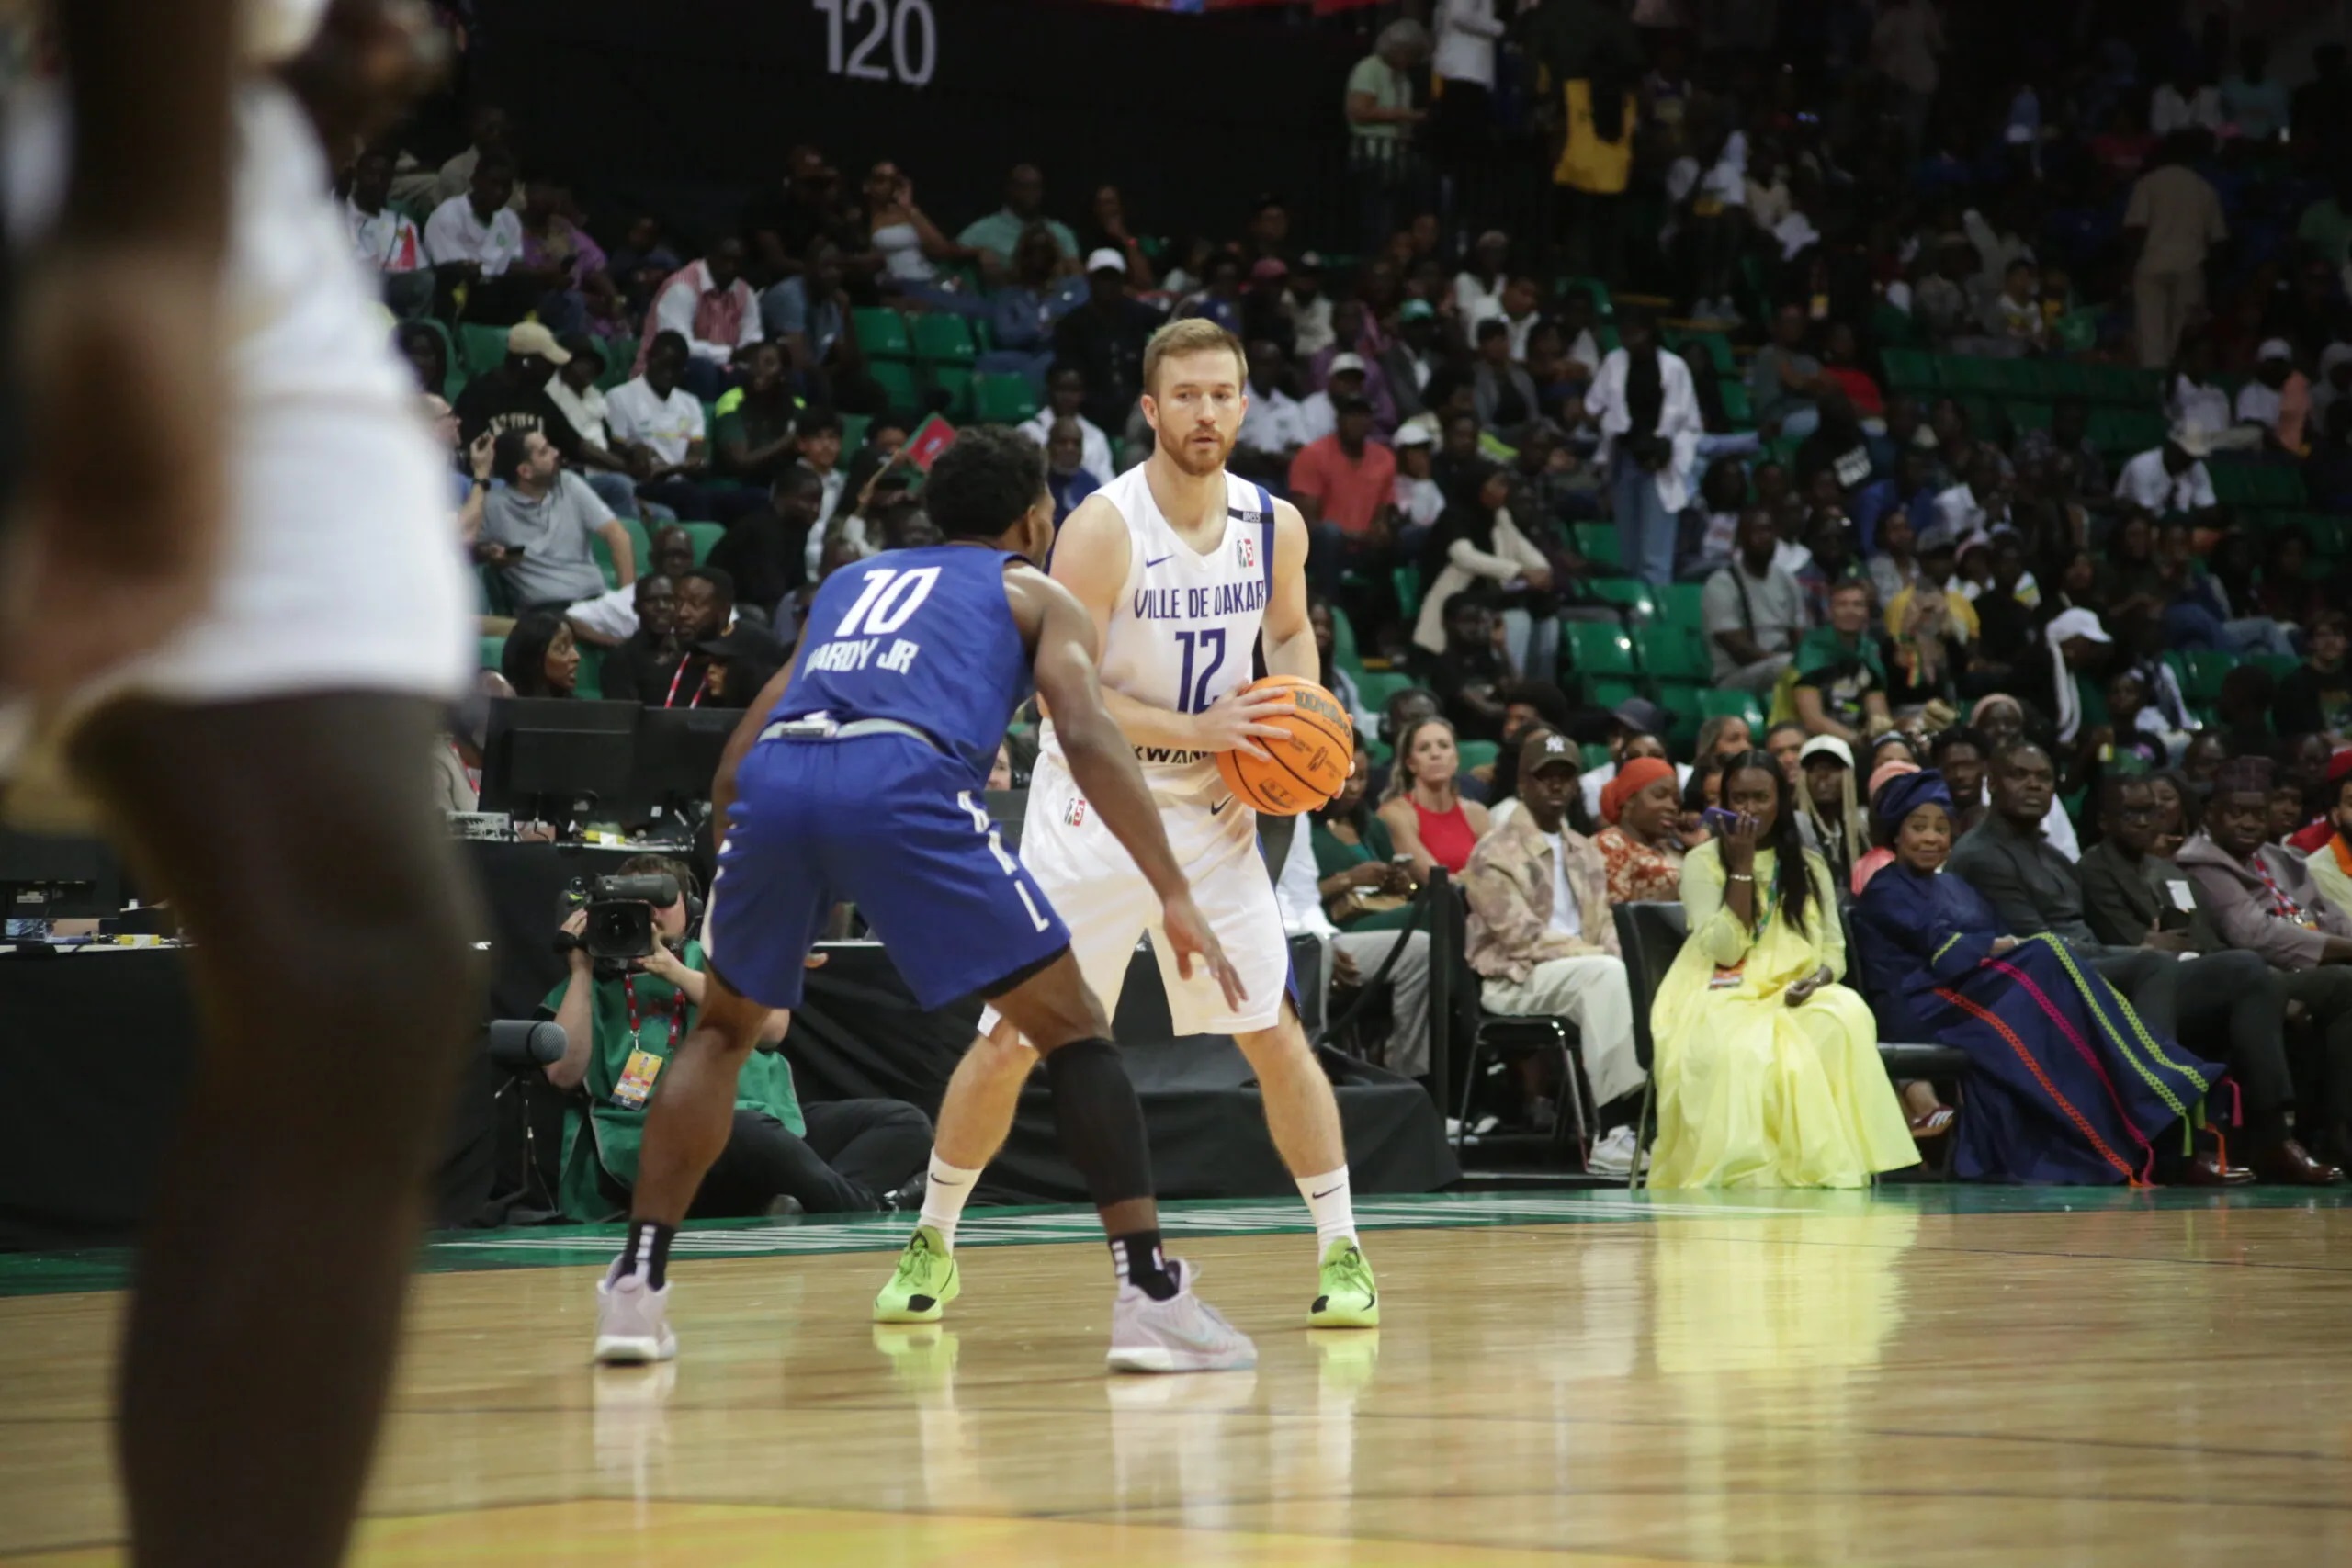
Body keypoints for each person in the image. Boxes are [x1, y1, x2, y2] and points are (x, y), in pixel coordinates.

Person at [1, 7, 479, 1564]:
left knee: (360, 979)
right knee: (357, 974)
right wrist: (135, 340)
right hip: (134, 186)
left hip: (213, 168)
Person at [594, 425, 1254, 1371]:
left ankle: (635, 1289)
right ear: (1036, 515)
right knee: (1073, 1031)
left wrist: (774, 882)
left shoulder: (850, 585)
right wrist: (1173, 887)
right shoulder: (1035, 591)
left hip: (781, 774)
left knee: (723, 1030)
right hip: (902, 775)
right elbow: (1089, 732)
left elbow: (739, 756)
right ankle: (1150, 1295)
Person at [886, 320, 1381, 1336]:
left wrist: (1294, 723)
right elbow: (1063, 695)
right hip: (1092, 811)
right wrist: (1201, 725)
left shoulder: (1272, 523)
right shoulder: (1103, 528)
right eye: (1186, 396)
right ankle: (932, 1238)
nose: (1207, 412)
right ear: (1151, 410)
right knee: (1013, 1037)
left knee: (1273, 1034)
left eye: (1223, 394)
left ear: (1245, 404)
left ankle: (1344, 1253)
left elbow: (1288, 629)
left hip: (1214, 811)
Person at [1853, 773, 2236, 1183]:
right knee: (2046, 954)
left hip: (1973, 988)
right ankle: (2153, 1089)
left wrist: (2001, 945)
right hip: (1926, 1001)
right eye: (1919, 827)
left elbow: (1996, 936)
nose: (1931, 838)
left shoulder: (1955, 887)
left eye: (1941, 828)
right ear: (1896, 834)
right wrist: (1997, 946)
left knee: (2049, 968)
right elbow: (1942, 946)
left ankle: (2148, 1097)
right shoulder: (1886, 887)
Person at [546, 853, 932, 1219]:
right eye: (632, 902)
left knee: (903, 1121)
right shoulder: (590, 981)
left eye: (660, 900)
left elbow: (771, 1028)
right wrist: (580, 970)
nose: (649, 914)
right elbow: (562, 1073)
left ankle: (805, 1203)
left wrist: (676, 973)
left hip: (768, 1121)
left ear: (690, 909)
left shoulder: (720, 958)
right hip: (659, 1136)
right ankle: (871, 1208)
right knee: (743, 1129)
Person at [1948, 743, 2276, 1108]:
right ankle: (2159, 1114)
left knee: (2243, 967)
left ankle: (2272, 1130)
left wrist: (2133, 951)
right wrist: (2138, 951)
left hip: (2093, 971)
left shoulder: (2054, 857)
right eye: (2019, 775)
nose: (2034, 785)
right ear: (1991, 782)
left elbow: (2087, 933)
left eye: (2042, 777)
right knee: (2153, 965)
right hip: (2041, 985)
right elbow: (2036, 945)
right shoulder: (1981, 856)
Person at [1646, 752, 1917, 1188]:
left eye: (1760, 798)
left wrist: (1817, 981)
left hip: (1796, 989)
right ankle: (1761, 1177)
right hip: (1720, 989)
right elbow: (1723, 948)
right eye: (1738, 799)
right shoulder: (1702, 862)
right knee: (1752, 1050)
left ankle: (1824, 1172)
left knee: (1847, 1013)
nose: (1749, 810)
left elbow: (1833, 950)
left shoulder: (1809, 867)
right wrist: (1741, 866)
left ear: (1782, 801)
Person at [2077, 777, 2337, 1181]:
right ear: (2105, 821)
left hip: (2189, 975)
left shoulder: (2170, 871)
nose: (2144, 821)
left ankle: (2273, 1135)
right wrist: (2159, 948)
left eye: (2152, 811)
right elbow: (2130, 947)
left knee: (2252, 970)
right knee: (2232, 968)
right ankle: (2174, 1141)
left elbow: (2209, 942)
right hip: (2133, 987)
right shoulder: (2094, 869)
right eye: (2132, 813)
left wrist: (2265, 984)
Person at [1463, 729, 1642, 1161]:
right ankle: (1614, 1128)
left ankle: (1652, 1123)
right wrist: (1599, 956)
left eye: (1566, 775)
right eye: (1546, 776)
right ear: (1523, 783)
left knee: (1635, 974)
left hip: (1582, 971)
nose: (1557, 785)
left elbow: (1605, 926)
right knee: (1606, 974)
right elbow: (1520, 937)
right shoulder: (1493, 852)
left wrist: (1622, 956)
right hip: (1514, 977)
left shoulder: (1585, 849)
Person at [2178, 759, 2352, 1167]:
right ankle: (2336, 1133)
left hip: (2307, 964)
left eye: (2258, 813)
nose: (2249, 823)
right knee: (2347, 983)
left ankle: (2340, 1126)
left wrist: (2335, 936)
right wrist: (2338, 944)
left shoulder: (2280, 857)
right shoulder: (2203, 861)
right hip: (2256, 976)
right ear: (2211, 815)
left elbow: (2325, 913)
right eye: (2236, 812)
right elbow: (2254, 933)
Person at [1276, 771, 1432, 1080]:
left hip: (1313, 934)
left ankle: (1407, 1081)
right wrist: (1316, 944)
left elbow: (1304, 894)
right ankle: (1310, 1081)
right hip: (1269, 940)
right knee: (1314, 953)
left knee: (1420, 950)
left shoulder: (1296, 810)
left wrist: (1327, 941)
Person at [1586, 308, 1703, 585]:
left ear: (1648, 333)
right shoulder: (1614, 362)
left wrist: (1665, 449)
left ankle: (1655, 619)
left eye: (1633, 334)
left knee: (1655, 554)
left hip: (1660, 460)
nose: (1627, 340)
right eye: (1623, 334)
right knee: (1629, 551)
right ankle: (1634, 607)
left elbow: (1690, 422)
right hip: (1625, 455)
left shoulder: (1675, 367)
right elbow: (1593, 406)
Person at [480, 429, 638, 610]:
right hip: (547, 611)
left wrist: (627, 602)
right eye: (544, 451)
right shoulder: (493, 505)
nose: (556, 452)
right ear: (525, 471)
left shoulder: (569, 483)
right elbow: (469, 550)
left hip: (595, 601)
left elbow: (618, 536)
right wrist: (487, 551)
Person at [2124, 135, 2227, 369]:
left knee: (2151, 337)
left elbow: (2135, 231)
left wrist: (2128, 269)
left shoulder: (2148, 183)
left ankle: (2154, 389)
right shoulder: (2205, 188)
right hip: (2190, 266)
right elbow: (2219, 242)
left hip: (2152, 264)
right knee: (2183, 339)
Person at [635, 238, 763, 396]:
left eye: (737, 262)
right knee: (702, 370)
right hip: (666, 371)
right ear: (710, 255)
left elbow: (753, 339)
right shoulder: (682, 287)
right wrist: (732, 355)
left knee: (757, 374)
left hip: (723, 369)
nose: (730, 267)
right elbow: (679, 347)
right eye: (725, 259)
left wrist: (753, 354)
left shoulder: (744, 292)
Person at [1702, 507, 1808, 691]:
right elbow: (1738, 649)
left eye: (1768, 530)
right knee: (1787, 667)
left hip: (1784, 664)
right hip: (1736, 675)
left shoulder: (1787, 580)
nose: (1764, 538)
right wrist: (1789, 663)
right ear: (1741, 539)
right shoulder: (1722, 583)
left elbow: (1798, 635)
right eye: (1757, 531)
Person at [1380, 714, 1491, 876]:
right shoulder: (1395, 814)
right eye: (1424, 748)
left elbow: (1496, 870)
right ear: (1411, 764)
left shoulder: (1477, 813)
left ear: (1456, 758)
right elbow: (1433, 879)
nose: (1435, 754)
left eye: (1444, 746)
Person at [1789, 581, 1891, 745]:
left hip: (1857, 735)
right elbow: (1813, 720)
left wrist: (1883, 734)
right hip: (1812, 739)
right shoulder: (1811, 649)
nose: (1850, 611)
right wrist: (1855, 740)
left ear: (1866, 612)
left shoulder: (1869, 650)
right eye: (1842, 604)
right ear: (1830, 611)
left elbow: (1879, 714)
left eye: (1858, 605)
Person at [344, 143, 429, 318]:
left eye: (384, 177)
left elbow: (415, 273)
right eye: (371, 174)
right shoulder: (338, 213)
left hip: (393, 297)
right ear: (357, 175)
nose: (377, 181)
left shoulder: (402, 224)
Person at [1592, 756, 1686, 903]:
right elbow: (1616, 915)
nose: (1671, 806)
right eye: (1660, 795)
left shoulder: (1671, 847)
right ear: (1629, 801)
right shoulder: (1609, 845)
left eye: (1676, 800)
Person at [1794, 735, 1870, 890]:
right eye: (1813, 768)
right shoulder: (1793, 830)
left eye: (1833, 767)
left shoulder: (1862, 830)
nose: (1822, 775)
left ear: (1849, 775)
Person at [499, 610, 580, 699]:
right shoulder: (505, 708)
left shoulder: (580, 709)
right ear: (533, 657)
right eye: (562, 649)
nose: (576, 656)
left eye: (573, 646)